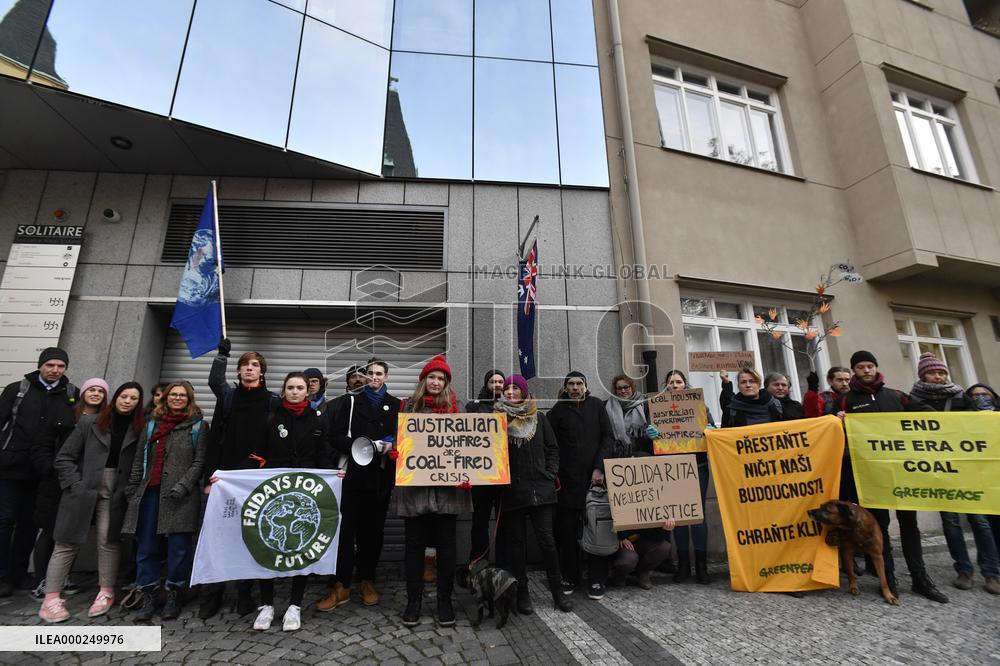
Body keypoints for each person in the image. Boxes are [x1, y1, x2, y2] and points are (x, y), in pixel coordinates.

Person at [840, 350, 948, 603]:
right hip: (871, 476)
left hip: (903, 475)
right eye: (861, 367)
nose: (866, 370)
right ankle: (887, 580)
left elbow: (930, 417)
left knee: (910, 526)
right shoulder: (846, 401)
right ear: (854, 371)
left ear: (876, 368)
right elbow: (830, 430)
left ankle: (921, 579)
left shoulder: (898, 396)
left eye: (870, 366)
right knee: (880, 530)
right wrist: (837, 421)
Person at [38, 382, 144, 622]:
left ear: (139, 403)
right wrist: (74, 484)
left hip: (115, 491)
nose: (127, 401)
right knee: (66, 543)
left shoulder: (139, 429)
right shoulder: (89, 422)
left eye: (134, 398)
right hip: (83, 488)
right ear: (115, 397)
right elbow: (64, 457)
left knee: (108, 541)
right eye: (124, 396)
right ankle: (51, 598)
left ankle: (106, 592)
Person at [199, 338, 279, 619]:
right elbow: (214, 381)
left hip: (254, 480)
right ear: (238, 372)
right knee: (217, 536)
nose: (249, 369)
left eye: (254, 365)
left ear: (262, 371)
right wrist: (223, 354)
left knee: (248, 536)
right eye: (244, 365)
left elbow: (275, 441)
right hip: (223, 478)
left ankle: (245, 592)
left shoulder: (272, 401)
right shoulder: (229, 397)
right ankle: (213, 594)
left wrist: (266, 461)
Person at [908, 353, 999, 595]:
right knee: (950, 521)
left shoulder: (962, 397)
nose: (938, 377)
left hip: (968, 468)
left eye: (941, 372)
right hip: (940, 469)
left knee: (979, 520)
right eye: (933, 373)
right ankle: (964, 570)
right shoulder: (913, 399)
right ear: (923, 375)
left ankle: (991, 572)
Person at [393, 355, 471, 627]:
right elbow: (398, 440)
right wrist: (396, 452)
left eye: (441, 379)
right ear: (423, 381)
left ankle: (444, 600)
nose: (436, 382)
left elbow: (468, 447)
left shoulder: (456, 410)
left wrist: (466, 471)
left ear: (446, 383)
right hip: (414, 491)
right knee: (414, 546)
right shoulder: (407, 408)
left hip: (448, 493)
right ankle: (413, 600)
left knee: (447, 548)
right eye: (432, 377)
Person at [123, 381, 209, 621]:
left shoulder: (199, 427)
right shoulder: (151, 425)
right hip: (149, 493)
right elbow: (140, 458)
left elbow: (199, 461)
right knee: (146, 547)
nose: (178, 398)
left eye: (182, 395)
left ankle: (174, 593)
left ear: (189, 399)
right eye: (173, 394)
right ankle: (148, 594)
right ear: (165, 398)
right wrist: (132, 490)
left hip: (181, 496)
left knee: (179, 548)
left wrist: (183, 486)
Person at [320, 359, 400, 612]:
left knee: (373, 532)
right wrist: (359, 445)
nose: (374, 377)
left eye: (379, 373)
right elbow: (333, 436)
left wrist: (391, 446)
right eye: (371, 373)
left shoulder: (397, 406)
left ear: (386, 377)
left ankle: (367, 580)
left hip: (380, 479)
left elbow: (406, 437)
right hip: (352, 476)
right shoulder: (350, 403)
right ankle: (341, 583)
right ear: (365, 377)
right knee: (345, 531)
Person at [0, 347, 78, 598]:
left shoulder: (71, 394)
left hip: (44, 471)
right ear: (41, 365)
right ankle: (2, 575)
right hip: (11, 466)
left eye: (60, 366)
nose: (55, 370)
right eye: (50, 365)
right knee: (4, 520)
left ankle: (19, 573)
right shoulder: (18, 389)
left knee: (29, 524)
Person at [251, 372, 326, 632]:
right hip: (275, 490)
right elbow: (256, 454)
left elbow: (323, 454)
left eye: (300, 388)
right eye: (290, 387)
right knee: (268, 544)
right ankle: (267, 605)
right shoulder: (271, 418)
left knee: (299, 545)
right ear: (284, 391)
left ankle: (295, 605)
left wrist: (334, 475)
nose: (295, 391)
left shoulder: (318, 419)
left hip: (306, 492)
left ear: (308, 392)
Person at [494, 374, 572, 614]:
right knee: (517, 546)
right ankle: (523, 593)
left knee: (547, 543)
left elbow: (552, 449)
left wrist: (550, 473)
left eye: (515, 389)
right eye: (506, 389)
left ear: (524, 392)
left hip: (541, 490)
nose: (510, 393)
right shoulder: (496, 419)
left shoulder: (539, 418)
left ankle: (558, 592)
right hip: (512, 491)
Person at [31, 377, 107, 600]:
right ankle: (42, 581)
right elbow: (44, 445)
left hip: (83, 486)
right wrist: (56, 472)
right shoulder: (65, 416)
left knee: (73, 532)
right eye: (91, 390)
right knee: (51, 530)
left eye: (100, 392)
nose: (95, 394)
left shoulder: (103, 420)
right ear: (82, 393)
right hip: (56, 483)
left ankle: (62, 577)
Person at [547, 371, 612, 600]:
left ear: (586, 386)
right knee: (566, 533)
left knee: (597, 530)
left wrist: (599, 468)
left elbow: (607, 438)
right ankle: (570, 577)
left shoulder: (596, 406)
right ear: (565, 388)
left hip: (594, 482)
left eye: (579, 384)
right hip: (566, 484)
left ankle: (597, 579)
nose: (575, 387)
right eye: (571, 384)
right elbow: (550, 444)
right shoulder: (557, 411)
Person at [663, 370, 715, 584]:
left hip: (698, 465)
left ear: (685, 384)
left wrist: (709, 429)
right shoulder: (660, 408)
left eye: (678, 382)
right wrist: (653, 434)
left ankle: (701, 566)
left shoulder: (699, 405)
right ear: (666, 386)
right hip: (673, 468)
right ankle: (683, 564)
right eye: (671, 382)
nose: (675, 385)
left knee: (698, 514)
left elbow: (711, 430)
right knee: (679, 515)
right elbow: (654, 439)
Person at [465, 369, 504, 566]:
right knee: (479, 523)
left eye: (500, 382)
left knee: (504, 523)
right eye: (492, 382)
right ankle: (478, 564)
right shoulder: (473, 407)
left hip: (504, 476)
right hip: (481, 476)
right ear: (486, 384)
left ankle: (504, 565)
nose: (496, 385)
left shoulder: (512, 407)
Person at [966, 383, 1000, 556]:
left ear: (993, 396)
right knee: (981, 523)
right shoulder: (963, 420)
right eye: (975, 395)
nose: (980, 398)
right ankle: (990, 569)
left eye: (984, 394)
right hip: (975, 478)